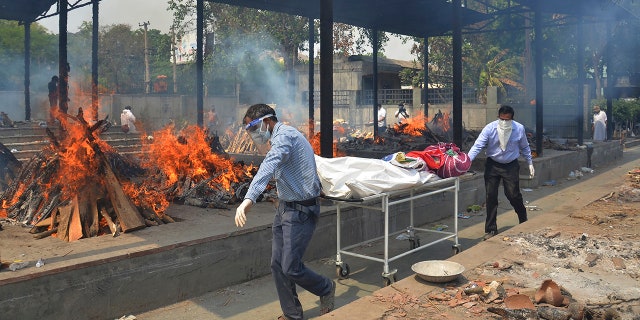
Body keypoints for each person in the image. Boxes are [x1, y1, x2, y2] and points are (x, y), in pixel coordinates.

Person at [234, 103, 335, 320]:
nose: (252, 135)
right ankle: (292, 315)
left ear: (267, 122)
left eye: (253, 128)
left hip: (301, 211)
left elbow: (269, 165)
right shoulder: (278, 138)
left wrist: (249, 199)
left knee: (290, 266)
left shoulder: (285, 137)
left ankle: (325, 287)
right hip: (285, 209)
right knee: (277, 265)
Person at [467, 105, 534, 241]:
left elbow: (525, 147)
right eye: (502, 119)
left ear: (512, 119)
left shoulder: (519, 129)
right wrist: (466, 161)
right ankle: (491, 229)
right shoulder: (490, 128)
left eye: (507, 120)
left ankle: (523, 219)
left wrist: (530, 162)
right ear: (498, 118)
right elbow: (478, 145)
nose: (504, 123)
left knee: (513, 195)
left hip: (510, 165)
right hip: (493, 164)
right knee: (490, 197)